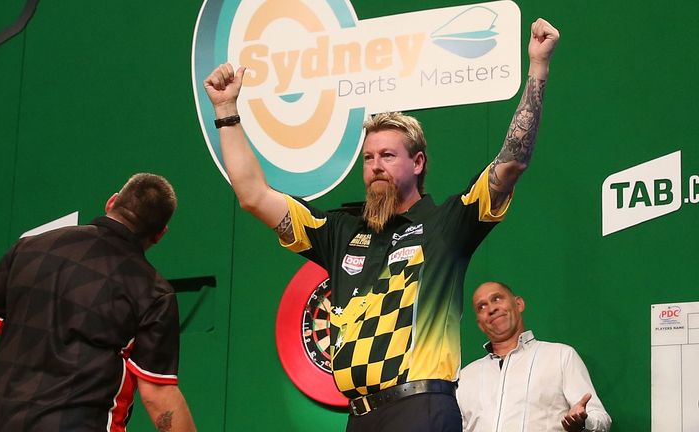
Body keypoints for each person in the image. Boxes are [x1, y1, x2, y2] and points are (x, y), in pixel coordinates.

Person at [203, 18, 559, 432]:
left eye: (388, 156)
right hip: (360, 415)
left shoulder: (448, 222)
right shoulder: (338, 231)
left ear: (418, 163)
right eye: (369, 159)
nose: (375, 167)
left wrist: (538, 67)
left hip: (420, 407)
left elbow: (512, 160)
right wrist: (226, 110)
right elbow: (252, 195)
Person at [0, 173, 197, 432]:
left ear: (111, 202)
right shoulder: (153, 292)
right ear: (160, 234)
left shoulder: (29, 248)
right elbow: (157, 396)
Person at [458, 281, 612, 432]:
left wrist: (584, 423)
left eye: (497, 298)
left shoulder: (560, 356)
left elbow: (600, 418)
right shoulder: (465, 377)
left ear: (519, 304)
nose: (491, 308)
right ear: (480, 323)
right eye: (481, 306)